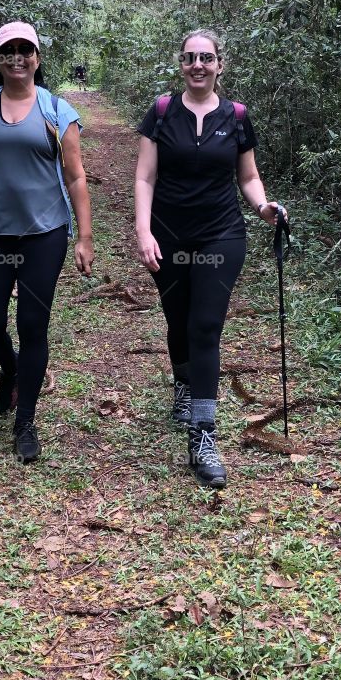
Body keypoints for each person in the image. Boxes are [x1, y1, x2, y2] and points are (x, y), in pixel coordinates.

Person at [134, 29, 286, 489]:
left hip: (221, 234)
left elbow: (249, 176)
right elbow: (144, 177)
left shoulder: (236, 116)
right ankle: (182, 384)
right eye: (190, 58)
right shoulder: (161, 113)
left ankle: (203, 433)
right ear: (181, 64)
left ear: (221, 64)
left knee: (205, 327)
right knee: (177, 321)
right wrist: (143, 231)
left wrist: (263, 207)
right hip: (168, 232)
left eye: (207, 58)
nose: (198, 65)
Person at [0, 22, 94, 464]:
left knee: (33, 326)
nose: (16, 58)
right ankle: (9, 367)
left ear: (37, 57)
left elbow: (75, 176)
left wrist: (84, 236)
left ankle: (25, 421)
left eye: (24, 50)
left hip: (43, 235)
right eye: (8, 50)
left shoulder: (56, 111)